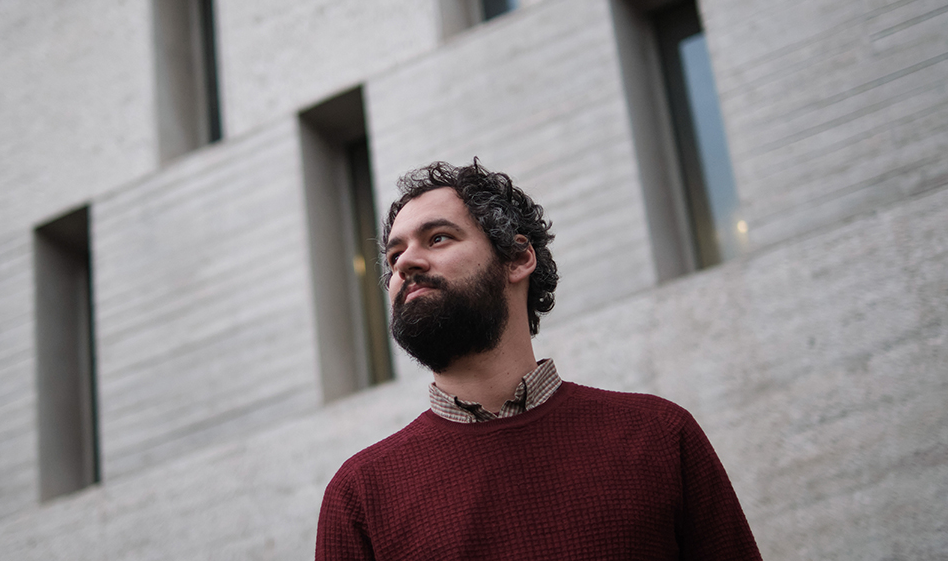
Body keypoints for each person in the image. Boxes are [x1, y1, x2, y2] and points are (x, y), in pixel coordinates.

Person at [315, 160, 762, 560]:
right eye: (394, 256)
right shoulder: (360, 497)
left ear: (518, 258)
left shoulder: (660, 437)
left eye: (437, 238)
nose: (405, 263)